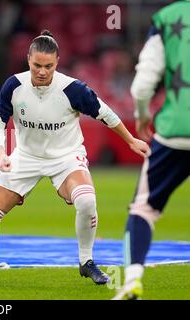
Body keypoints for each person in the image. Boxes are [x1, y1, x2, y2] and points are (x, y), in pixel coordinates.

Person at [0, 30, 150, 285]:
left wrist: (131, 139)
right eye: (37, 65)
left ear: (57, 63)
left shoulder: (73, 89)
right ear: (28, 59)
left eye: (48, 66)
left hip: (66, 157)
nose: (42, 71)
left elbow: (106, 113)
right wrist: (1, 151)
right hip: (25, 157)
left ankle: (86, 261)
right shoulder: (14, 85)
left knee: (87, 201)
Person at [113, 2, 190, 300]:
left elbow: (142, 86)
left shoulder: (168, 17)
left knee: (143, 208)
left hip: (175, 130)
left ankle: (132, 280)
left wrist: (143, 115)